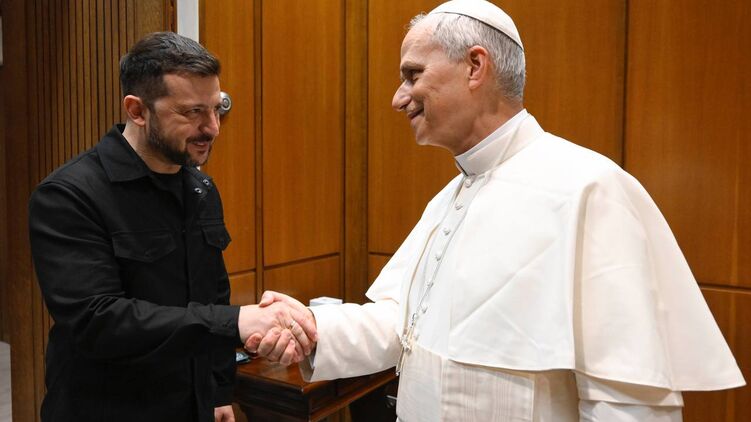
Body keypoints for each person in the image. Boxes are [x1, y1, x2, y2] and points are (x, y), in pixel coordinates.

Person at [248, 1, 745, 421]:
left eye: (413, 75)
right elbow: (404, 325)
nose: (399, 99)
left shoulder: (588, 188)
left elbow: (629, 400)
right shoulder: (449, 197)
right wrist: (313, 329)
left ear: (475, 66)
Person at [28, 32, 316, 422]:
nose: (212, 128)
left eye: (216, 109)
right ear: (137, 110)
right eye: (192, 112)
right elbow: (97, 321)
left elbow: (213, 293)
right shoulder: (68, 195)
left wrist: (217, 391)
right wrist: (236, 321)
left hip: (190, 404)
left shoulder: (200, 188)